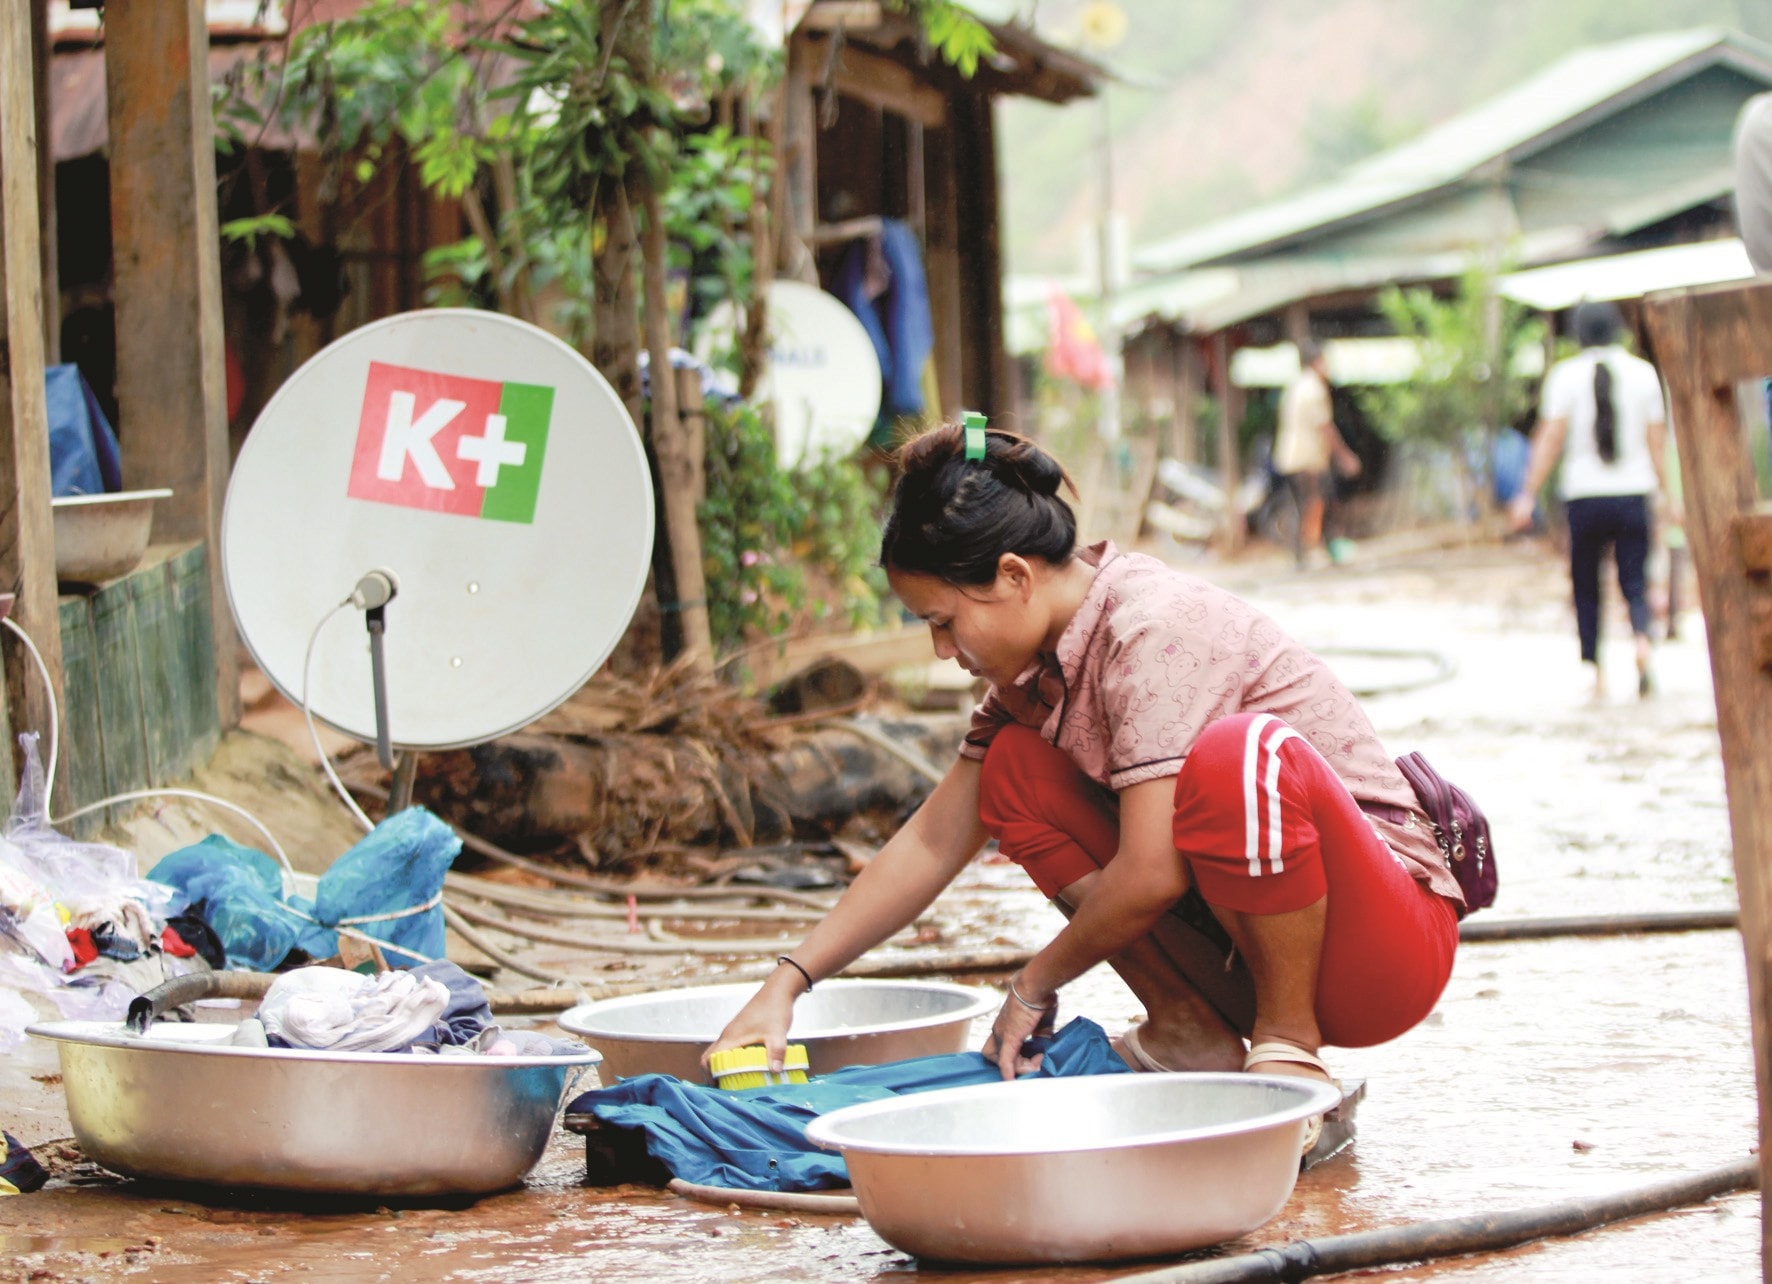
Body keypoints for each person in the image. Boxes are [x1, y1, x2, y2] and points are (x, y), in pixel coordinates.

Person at [706, 420, 1463, 1123]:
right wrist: (787, 984)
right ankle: (1188, 1030)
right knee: (1012, 773)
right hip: (1246, 953)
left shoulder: (1154, 625)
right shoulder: (1027, 685)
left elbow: (1150, 873)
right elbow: (932, 842)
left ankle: (1289, 1049)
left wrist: (1033, 984)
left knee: (1237, 754)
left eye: (943, 621)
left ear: (1012, 576)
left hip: (1380, 952)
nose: (943, 650)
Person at [1508, 301, 1671, 699]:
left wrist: (1527, 493)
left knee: (1585, 583)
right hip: (1633, 493)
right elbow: (1656, 443)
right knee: (1635, 578)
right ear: (1618, 331)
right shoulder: (1644, 373)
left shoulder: (1564, 376)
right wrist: (1667, 494)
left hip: (1584, 497)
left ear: (1578, 334)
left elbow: (1549, 440)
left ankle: (1596, 669)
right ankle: (1642, 644)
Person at [1272, 341, 1361, 568]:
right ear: (1317, 362)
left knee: (1306, 505)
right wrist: (1344, 456)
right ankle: (1311, 552)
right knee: (1315, 504)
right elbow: (1324, 426)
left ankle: (1309, 554)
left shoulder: (1296, 386)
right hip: (1307, 457)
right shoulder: (1313, 388)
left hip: (1291, 456)